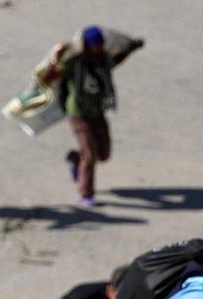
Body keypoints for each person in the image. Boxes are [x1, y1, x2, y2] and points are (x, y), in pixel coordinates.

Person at [37, 26, 143, 207]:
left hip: (97, 111)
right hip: (78, 113)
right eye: (94, 45)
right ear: (86, 45)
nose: (97, 48)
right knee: (91, 154)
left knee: (103, 154)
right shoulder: (73, 61)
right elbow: (49, 77)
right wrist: (57, 59)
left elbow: (116, 59)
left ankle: (75, 160)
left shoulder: (102, 60)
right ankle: (85, 194)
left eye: (100, 45)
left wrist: (130, 47)